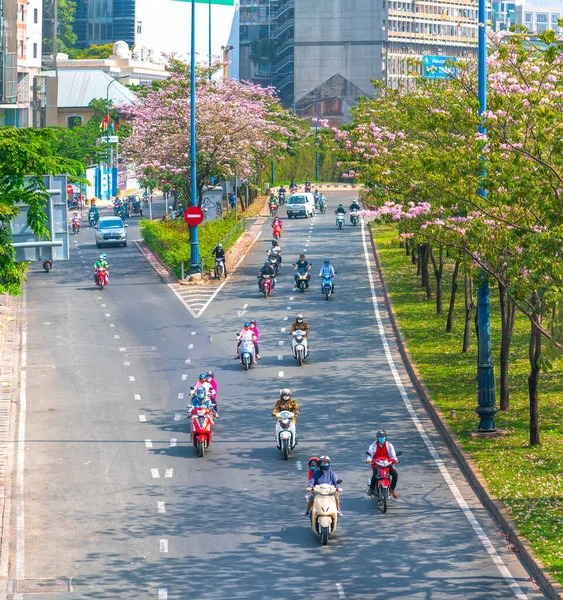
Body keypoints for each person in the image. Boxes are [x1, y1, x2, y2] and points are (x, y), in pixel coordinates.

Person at [366, 430, 399, 499]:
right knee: (375, 475)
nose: (381, 438)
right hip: (377, 464)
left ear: (385, 437)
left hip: (387, 463)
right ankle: (371, 488)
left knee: (395, 474)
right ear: (377, 438)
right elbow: (370, 454)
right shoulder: (373, 445)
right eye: (380, 437)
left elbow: (393, 455)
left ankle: (392, 489)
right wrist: (369, 460)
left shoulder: (389, 445)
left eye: (383, 436)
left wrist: (395, 460)